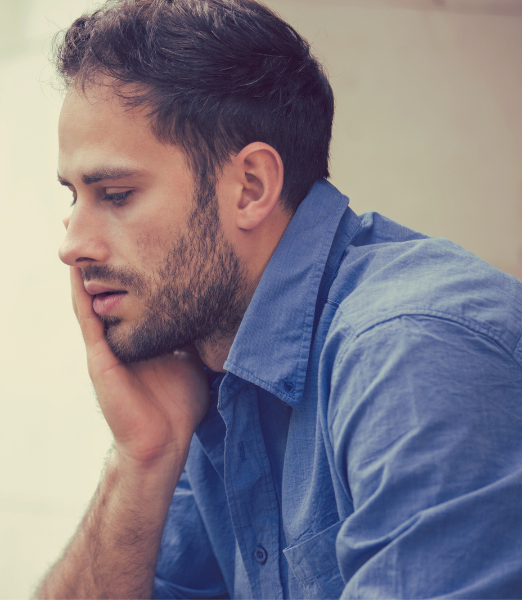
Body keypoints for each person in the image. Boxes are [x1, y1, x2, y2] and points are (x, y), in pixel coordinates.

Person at [36, 0, 522, 598]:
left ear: (251, 187)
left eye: (114, 193)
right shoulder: (211, 368)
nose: (73, 245)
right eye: (73, 197)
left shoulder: (414, 353)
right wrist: (139, 459)